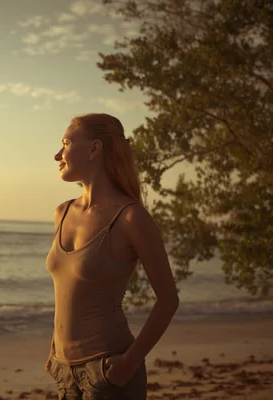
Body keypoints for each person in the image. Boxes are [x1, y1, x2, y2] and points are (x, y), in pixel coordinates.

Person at [45, 113, 180, 400]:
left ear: (94, 149)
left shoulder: (131, 218)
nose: (58, 154)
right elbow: (70, 292)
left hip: (108, 370)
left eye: (66, 143)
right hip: (64, 373)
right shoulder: (62, 213)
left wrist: (128, 363)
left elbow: (168, 299)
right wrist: (55, 350)